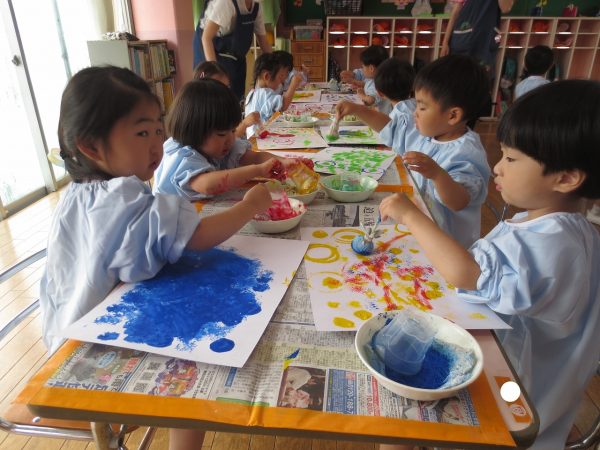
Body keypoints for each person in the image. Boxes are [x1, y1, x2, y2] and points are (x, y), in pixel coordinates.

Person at [40, 65, 272, 450]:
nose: (157, 145)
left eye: (158, 130)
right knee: (194, 368)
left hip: (66, 337)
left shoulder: (77, 195)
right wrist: (249, 206)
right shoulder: (122, 198)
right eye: (142, 133)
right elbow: (199, 237)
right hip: (101, 353)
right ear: (92, 146)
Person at [378, 80, 600, 450]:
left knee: (392, 423)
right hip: (518, 371)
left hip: (511, 396)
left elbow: (468, 274)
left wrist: (412, 217)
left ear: (566, 178)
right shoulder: (565, 228)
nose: (497, 167)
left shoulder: (551, 242)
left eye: (511, 159)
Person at [336, 55, 491, 247]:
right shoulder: (427, 134)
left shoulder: (466, 152)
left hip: (447, 246)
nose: (414, 112)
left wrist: (438, 175)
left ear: (453, 115)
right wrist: (357, 110)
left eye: (422, 107)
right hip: (423, 232)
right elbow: (390, 128)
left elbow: (459, 201)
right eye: (416, 104)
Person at [153, 78, 297, 201]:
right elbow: (208, 185)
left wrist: (283, 162)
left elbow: (255, 157)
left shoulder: (218, 146)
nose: (230, 139)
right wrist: (257, 170)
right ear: (194, 131)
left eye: (233, 130)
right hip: (168, 222)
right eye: (222, 134)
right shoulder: (183, 157)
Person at [192, 0, 272, 100]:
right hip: (210, 53)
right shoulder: (226, 3)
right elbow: (206, 38)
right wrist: (215, 71)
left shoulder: (256, 5)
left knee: (236, 97)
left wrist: (276, 65)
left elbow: (263, 41)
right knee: (215, 97)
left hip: (235, 56)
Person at [193, 60, 261, 138]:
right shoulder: (204, 117)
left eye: (227, 87)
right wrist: (244, 124)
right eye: (218, 89)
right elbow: (226, 140)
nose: (225, 93)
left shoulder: (223, 108)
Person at [244, 52, 303, 137]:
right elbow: (283, 105)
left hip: (252, 137)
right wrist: (293, 84)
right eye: (280, 77)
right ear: (267, 76)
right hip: (259, 138)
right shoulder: (264, 93)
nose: (281, 82)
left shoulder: (252, 93)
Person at [340, 45, 390, 113]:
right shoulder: (377, 77)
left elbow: (370, 100)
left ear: (371, 68)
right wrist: (353, 75)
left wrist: (362, 94)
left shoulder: (377, 83)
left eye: (363, 67)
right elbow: (364, 79)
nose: (362, 69)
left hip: (381, 117)